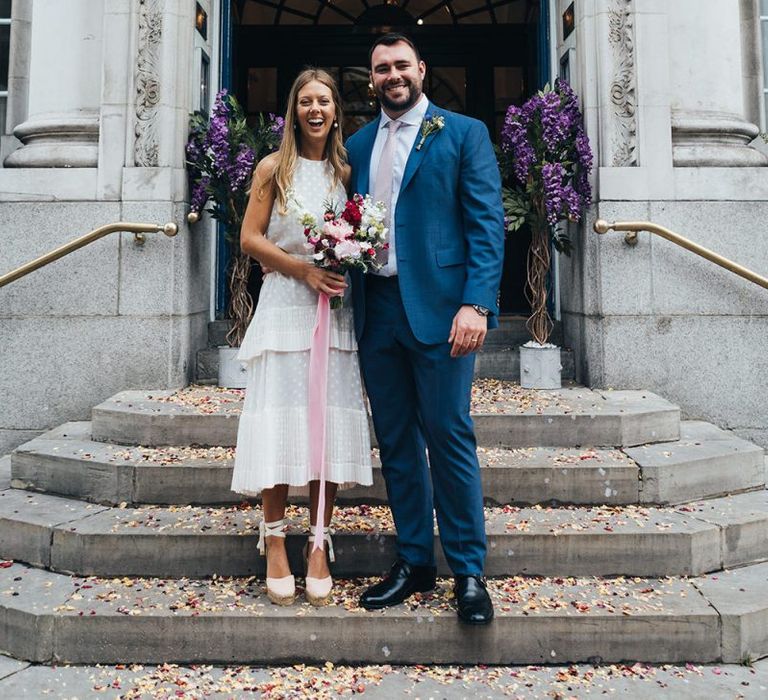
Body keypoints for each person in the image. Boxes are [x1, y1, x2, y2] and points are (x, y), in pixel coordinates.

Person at [345, 33, 505, 625]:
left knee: (449, 435)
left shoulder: (463, 133)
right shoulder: (357, 145)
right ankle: (415, 560)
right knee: (396, 441)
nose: (393, 75)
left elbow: (487, 226)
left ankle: (468, 571)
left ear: (421, 70)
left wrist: (477, 305)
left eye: (401, 66)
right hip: (377, 308)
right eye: (382, 68)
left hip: (443, 312)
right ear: (371, 79)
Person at [231, 68, 372, 607]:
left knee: (325, 425)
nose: (315, 110)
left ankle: (318, 540)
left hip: (332, 312)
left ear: (337, 110)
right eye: (306, 101)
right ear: (294, 110)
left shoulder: (345, 170)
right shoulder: (273, 168)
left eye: (325, 101)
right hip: (286, 305)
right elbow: (249, 238)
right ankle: (274, 540)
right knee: (281, 419)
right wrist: (303, 271)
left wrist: (348, 259)